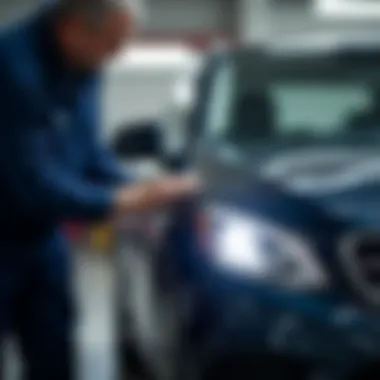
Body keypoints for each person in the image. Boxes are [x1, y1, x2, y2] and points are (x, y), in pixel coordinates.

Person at [0, 0, 200, 379]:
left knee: (53, 347)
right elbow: (33, 186)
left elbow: (89, 155)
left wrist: (142, 184)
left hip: (41, 237)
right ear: (71, 28)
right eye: (109, 46)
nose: (113, 58)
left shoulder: (85, 63)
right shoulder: (11, 71)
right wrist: (124, 201)